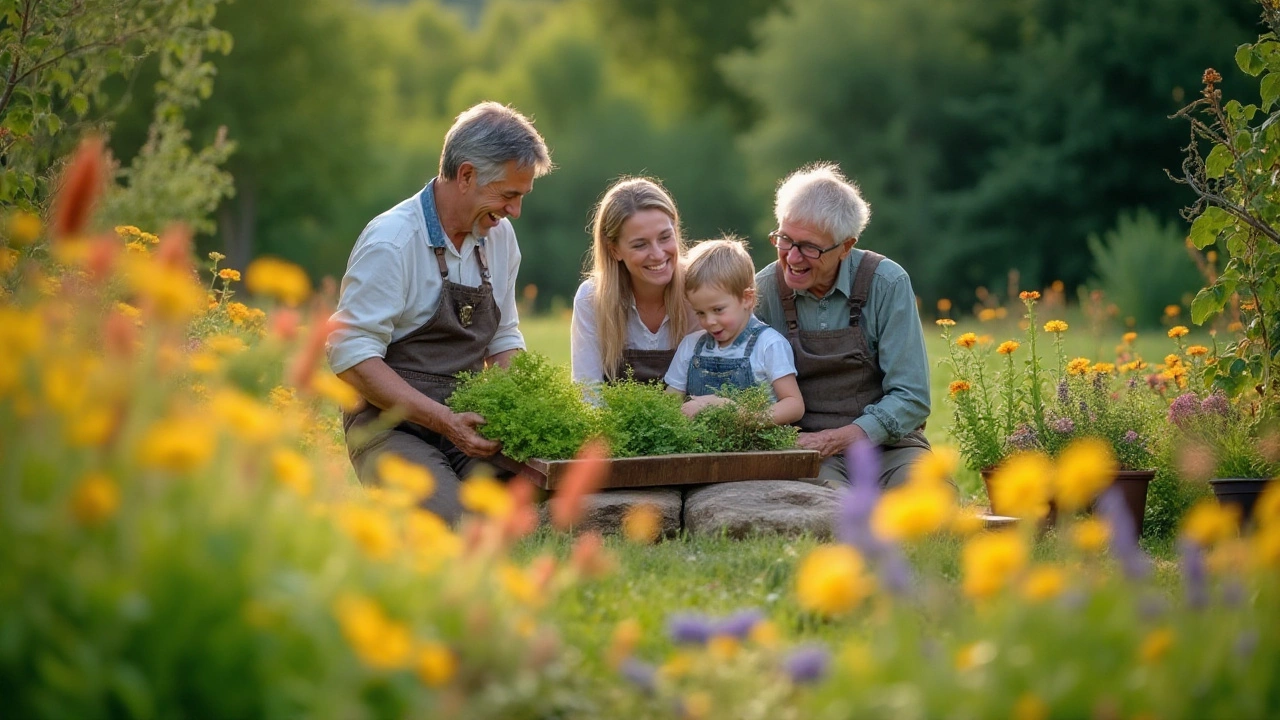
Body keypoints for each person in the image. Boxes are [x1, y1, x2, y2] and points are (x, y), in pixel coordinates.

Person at [326, 102, 552, 523]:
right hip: (389, 429)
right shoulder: (392, 242)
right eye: (509, 195)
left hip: (467, 429)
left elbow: (504, 339)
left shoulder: (499, 239)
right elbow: (351, 357)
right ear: (466, 176)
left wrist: (509, 411)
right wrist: (445, 421)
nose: (514, 212)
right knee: (453, 525)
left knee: (545, 505)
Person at [753, 163, 933, 488]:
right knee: (828, 509)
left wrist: (842, 437)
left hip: (890, 444)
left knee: (928, 504)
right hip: (806, 448)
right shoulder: (763, 291)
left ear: (846, 247)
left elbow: (912, 397)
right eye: (784, 239)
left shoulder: (887, 283)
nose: (792, 258)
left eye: (809, 247)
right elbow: (754, 390)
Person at [664, 237, 804, 424]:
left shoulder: (769, 345)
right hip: (699, 449)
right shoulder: (691, 345)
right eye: (700, 312)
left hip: (758, 448)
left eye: (718, 310)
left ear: (747, 298)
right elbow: (670, 402)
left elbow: (794, 405)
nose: (709, 321)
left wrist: (740, 416)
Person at [571, 177, 695, 386]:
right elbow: (588, 393)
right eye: (640, 245)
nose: (657, 254)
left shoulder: (699, 288)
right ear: (614, 250)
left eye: (665, 237)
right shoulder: (591, 298)